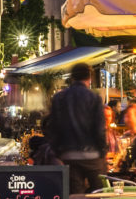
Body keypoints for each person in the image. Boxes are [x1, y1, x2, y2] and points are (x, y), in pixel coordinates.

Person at [45, 63, 107, 193]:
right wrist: (102, 151)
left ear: (72, 77)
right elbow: (99, 128)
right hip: (92, 154)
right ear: (89, 77)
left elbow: (53, 127)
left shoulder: (59, 97)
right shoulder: (94, 98)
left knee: (74, 193)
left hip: (68, 154)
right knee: (100, 193)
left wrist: (58, 152)